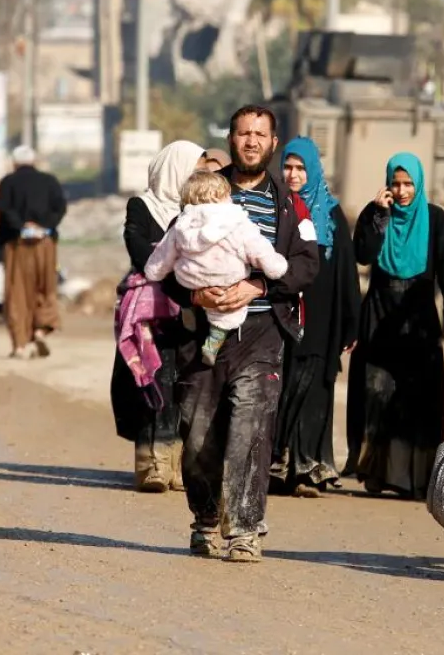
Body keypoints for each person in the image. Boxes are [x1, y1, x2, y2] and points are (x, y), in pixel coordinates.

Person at [163, 106, 319, 562]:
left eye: (260, 134)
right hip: (203, 334)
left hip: (262, 333)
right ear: (230, 139)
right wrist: (195, 296)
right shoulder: (203, 192)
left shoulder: (290, 205)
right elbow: (168, 258)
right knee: (198, 435)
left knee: (251, 431)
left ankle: (246, 530)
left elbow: (307, 264)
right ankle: (206, 518)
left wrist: (258, 286)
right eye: (244, 133)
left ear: (273, 143)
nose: (251, 141)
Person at [352, 153, 444, 498]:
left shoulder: (435, 218)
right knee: (377, 393)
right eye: (395, 184)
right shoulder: (375, 213)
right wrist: (379, 217)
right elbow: (363, 255)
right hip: (379, 314)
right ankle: (375, 472)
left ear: (419, 184)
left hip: (418, 317)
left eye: (408, 184)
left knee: (418, 396)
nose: (401, 191)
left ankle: (415, 479)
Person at [271, 137, 360, 497]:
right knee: (280, 387)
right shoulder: (273, 207)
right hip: (280, 314)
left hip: (321, 319)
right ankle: (277, 466)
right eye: (288, 167)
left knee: (314, 391)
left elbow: (346, 273)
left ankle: (307, 470)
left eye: (300, 168)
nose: (293, 174)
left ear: (312, 171)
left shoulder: (331, 214)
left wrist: (350, 323)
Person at [115, 140, 203, 494]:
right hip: (151, 311)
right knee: (154, 383)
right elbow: (137, 248)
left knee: (185, 386)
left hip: (188, 307)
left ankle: (178, 467)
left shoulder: (197, 207)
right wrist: (174, 264)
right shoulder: (142, 206)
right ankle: (152, 465)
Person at [144, 171, 290, 366]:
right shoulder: (235, 219)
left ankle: (191, 317)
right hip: (226, 279)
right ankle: (213, 343)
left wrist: (154, 271)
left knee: (195, 307)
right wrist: (275, 266)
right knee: (228, 314)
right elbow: (257, 248)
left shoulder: (183, 222)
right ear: (220, 195)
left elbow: (164, 253)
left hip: (192, 279)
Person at [0, 145, 67, 359]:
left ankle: (19, 345)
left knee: (17, 292)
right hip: (45, 244)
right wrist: (44, 227)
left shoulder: (8, 182)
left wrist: (22, 227)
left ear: (14, 163)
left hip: (17, 245)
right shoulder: (49, 181)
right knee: (45, 288)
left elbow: (5, 210)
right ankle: (41, 329)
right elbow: (60, 207)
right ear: (34, 161)